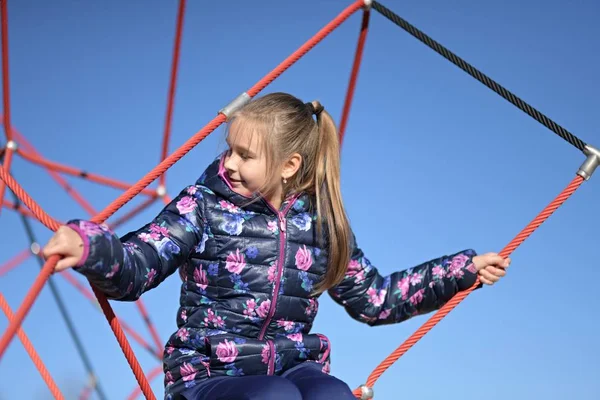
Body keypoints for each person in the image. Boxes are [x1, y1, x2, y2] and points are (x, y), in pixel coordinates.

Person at [42, 92, 510, 400]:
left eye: (245, 155)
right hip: (210, 375)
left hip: (292, 367)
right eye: (230, 149)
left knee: (333, 395)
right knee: (274, 398)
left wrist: (459, 271)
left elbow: (376, 299)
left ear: (289, 165)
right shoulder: (203, 207)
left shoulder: (320, 227)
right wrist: (87, 245)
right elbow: (139, 262)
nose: (229, 163)